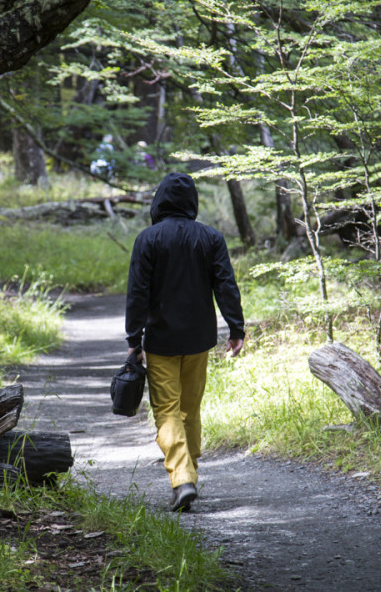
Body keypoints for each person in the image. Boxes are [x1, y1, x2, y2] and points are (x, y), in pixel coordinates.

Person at [125, 172, 245, 512]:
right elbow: (226, 285)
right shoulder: (210, 237)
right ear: (192, 201)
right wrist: (236, 328)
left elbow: (137, 294)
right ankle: (188, 473)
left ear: (159, 200)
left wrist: (134, 339)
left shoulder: (148, 239)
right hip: (199, 340)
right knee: (190, 410)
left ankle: (183, 480)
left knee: (167, 411)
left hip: (161, 340)